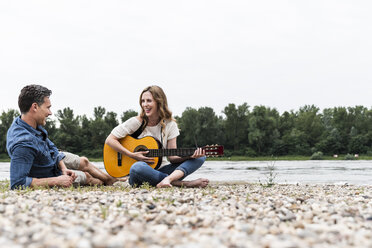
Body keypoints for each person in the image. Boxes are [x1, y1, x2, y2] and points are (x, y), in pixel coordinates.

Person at [6, 84, 120, 190]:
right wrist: (57, 180)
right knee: (87, 176)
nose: (50, 113)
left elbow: (51, 146)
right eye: (48, 107)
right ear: (35, 107)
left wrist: (64, 167)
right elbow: (17, 183)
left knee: (84, 161)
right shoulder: (23, 144)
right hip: (49, 173)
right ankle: (108, 182)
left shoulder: (29, 122)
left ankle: (111, 180)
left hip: (52, 159)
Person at [105, 85, 209, 188]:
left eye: (149, 101)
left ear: (159, 102)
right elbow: (110, 140)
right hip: (140, 173)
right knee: (137, 167)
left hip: (162, 170)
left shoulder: (170, 125)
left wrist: (190, 156)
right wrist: (132, 155)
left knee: (201, 156)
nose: (145, 104)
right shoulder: (137, 122)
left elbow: (172, 158)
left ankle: (168, 180)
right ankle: (183, 184)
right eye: (143, 101)